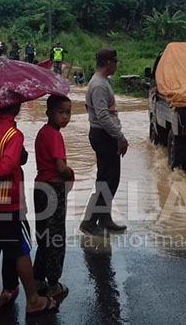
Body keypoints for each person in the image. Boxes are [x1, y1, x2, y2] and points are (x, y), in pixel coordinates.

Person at [0, 104, 58, 317]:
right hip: (7, 202)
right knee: (20, 249)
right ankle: (33, 300)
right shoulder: (13, 135)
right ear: (14, 109)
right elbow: (7, 166)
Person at [80, 48, 128, 236]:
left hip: (104, 135)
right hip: (103, 135)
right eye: (115, 62)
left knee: (108, 178)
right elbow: (102, 115)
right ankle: (90, 221)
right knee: (108, 180)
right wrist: (119, 136)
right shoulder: (99, 85)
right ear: (109, 63)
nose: (116, 66)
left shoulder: (101, 82)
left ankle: (105, 218)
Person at [33, 95, 73, 300]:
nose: (65, 117)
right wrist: (70, 173)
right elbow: (60, 167)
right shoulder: (55, 136)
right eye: (61, 112)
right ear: (49, 113)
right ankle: (53, 284)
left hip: (39, 187)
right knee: (56, 237)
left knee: (43, 235)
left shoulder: (42, 132)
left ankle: (38, 277)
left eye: (68, 113)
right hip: (53, 189)